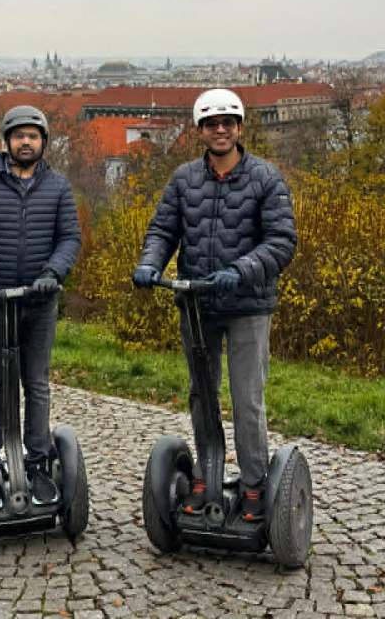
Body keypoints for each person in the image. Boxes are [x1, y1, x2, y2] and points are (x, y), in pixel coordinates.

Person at [132, 88, 297, 523]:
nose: (220, 129)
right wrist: (150, 264)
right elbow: (162, 230)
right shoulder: (184, 179)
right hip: (197, 302)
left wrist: (240, 270)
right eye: (211, 123)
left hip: (247, 304)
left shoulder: (266, 178)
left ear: (239, 128)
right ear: (200, 131)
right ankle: (207, 472)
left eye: (227, 122)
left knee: (247, 399)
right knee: (202, 395)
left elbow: (282, 242)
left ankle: (255, 484)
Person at [0, 104, 81, 512]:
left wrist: (53, 272)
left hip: (39, 301)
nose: (27, 141)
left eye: (34, 135)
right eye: (19, 135)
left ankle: (38, 462)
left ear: (44, 142)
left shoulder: (57, 186)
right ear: (7, 141)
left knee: (36, 383)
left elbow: (69, 238)